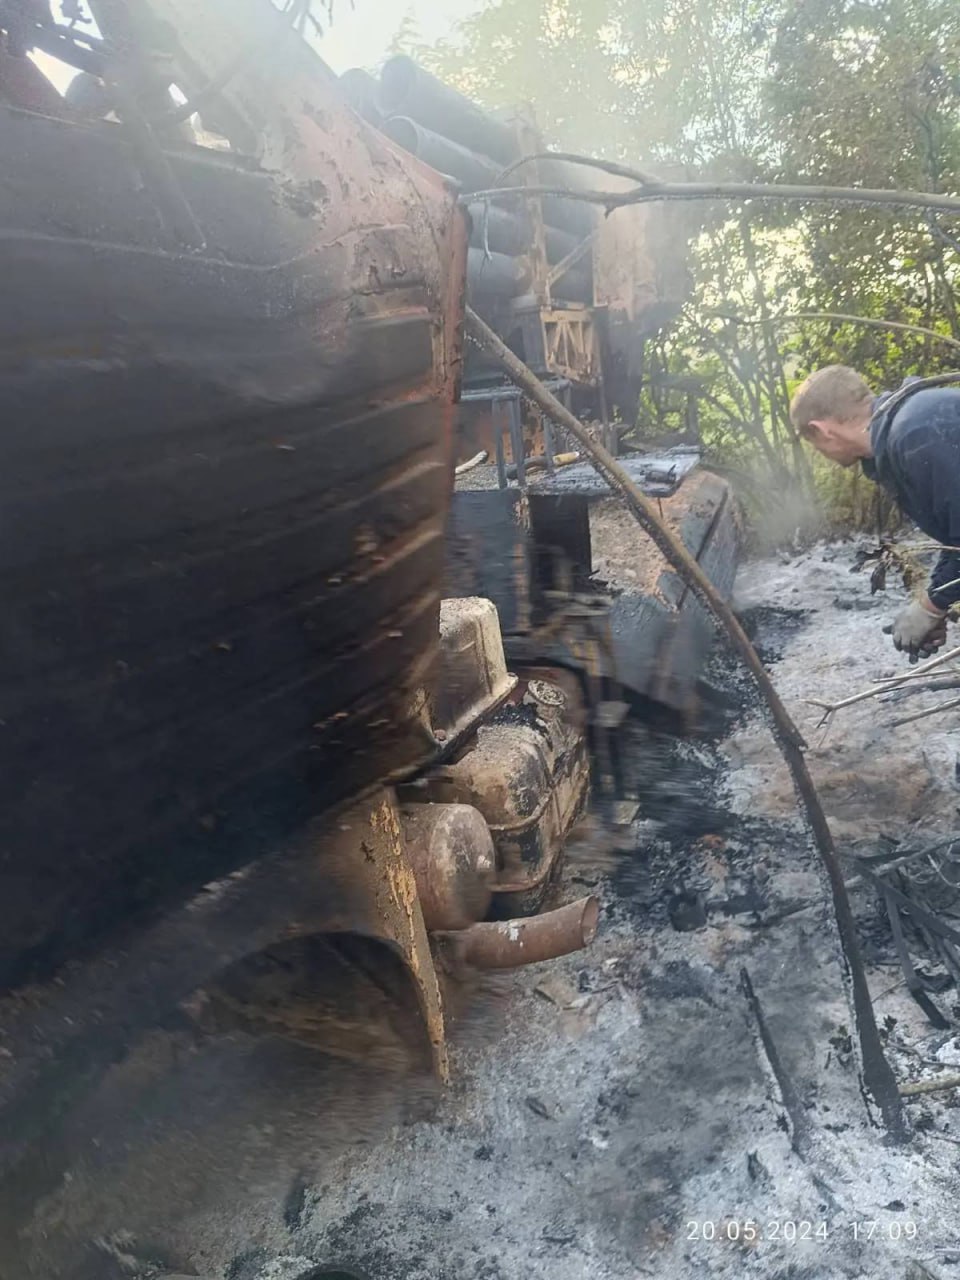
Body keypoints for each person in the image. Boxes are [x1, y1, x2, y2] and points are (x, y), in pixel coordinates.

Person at [789, 364, 960, 661]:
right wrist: (934, 606)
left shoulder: (916, 434)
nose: (820, 453)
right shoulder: (905, 431)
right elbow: (954, 538)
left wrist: (931, 606)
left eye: (812, 443)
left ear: (821, 430)